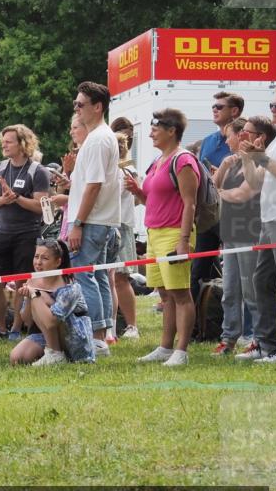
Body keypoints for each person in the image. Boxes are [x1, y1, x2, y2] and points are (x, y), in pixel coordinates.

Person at [125, 109, 198, 366]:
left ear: (172, 131)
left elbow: (190, 204)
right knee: (165, 295)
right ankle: (166, 347)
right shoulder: (157, 161)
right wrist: (138, 191)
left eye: (155, 129)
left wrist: (183, 240)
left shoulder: (184, 160)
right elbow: (152, 201)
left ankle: (182, 350)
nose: (151, 134)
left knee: (180, 294)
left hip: (174, 233)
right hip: (154, 233)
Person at [0, 124, 51, 341]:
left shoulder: (38, 171)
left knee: (23, 284)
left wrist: (17, 198)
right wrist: (3, 200)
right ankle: (0, 328)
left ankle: (16, 328)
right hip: (1, 233)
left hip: (27, 233)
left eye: (8, 141)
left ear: (22, 144)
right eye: (2, 141)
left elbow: (41, 206)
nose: (3, 145)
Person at [67, 81, 121, 356]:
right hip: (98, 220)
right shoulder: (98, 137)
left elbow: (94, 185)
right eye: (75, 103)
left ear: (97, 107)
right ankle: (102, 336)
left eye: (81, 104)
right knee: (97, 276)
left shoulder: (99, 139)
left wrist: (78, 223)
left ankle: (97, 339)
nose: (76, 108)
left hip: (92, 221)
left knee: (84, 275)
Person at [212, 116, 272, 358]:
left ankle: (258, 339)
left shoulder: (258, 161)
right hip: (229, 233)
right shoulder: (233, 162)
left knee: (251, 291)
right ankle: (229, 338)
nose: (227, 141)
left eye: (230, 136)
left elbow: (242, 194)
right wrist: (223, 168)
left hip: (248, 232)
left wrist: (221, 192)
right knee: (229, 290)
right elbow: (213, 186)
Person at [238, 89, 276, 362]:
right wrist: (248, 158)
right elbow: (256, 182)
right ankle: (266, 344)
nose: (273, 110)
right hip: (269, 218)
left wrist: (263, 159)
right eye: (272, 105)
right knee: (262, 280)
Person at [190, 92, 244, 302]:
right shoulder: (208, 141)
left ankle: (236, 319)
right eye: (213, 106)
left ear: (234, 111)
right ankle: (198, 319)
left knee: (238, 271)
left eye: (219, 106)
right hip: (209, 213)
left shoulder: (245, 135)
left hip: (235, 213)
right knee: (198, 270)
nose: (214, 109)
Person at [10, 239, 95, 366]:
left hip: (75, 338)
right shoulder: (32, 280)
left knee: (38, 296)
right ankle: (52, 352)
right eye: (36, 257)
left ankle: (55, 354)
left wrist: (36, 294)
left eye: (45, 258)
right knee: (17, 358)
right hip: (44, 334)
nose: (38, 262)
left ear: (58, 262)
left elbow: (51, 322)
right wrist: (29, 297)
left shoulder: (71, 287)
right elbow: (27, 320)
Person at [113, 128, 140, 339]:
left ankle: (132, 326)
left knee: (121, 278)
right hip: (112, 225)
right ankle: (114, 325)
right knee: (112, 279)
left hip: (120, 226)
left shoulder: (125, 170)